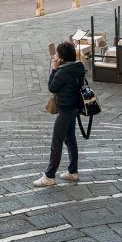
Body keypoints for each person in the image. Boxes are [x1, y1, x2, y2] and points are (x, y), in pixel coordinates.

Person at [33, 41, 85, 187]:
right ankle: (73, 171)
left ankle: (49, 175)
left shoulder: (62, 72)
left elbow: (52, 87)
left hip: (65, 109)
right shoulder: (78, 67)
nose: (55, 56)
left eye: (57, 54)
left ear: (61, 57)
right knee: (70, 139)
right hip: (74, 108)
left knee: (57, 142)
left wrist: (54, 69)